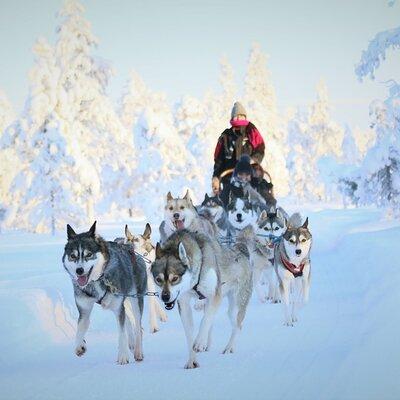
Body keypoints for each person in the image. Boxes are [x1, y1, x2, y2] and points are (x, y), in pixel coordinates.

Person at [212, 102, 265, 204]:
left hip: (250, 175)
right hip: (229, 177)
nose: (239, 119)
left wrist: (253, 160)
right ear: (232, 118)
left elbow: (260, 148)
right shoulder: (226, 136)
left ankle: (268, 213)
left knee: (263, 190)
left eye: (241, 116)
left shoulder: (251, 131)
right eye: (237, 117)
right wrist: (216, 176)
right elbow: (218, 159)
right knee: (223, 199)